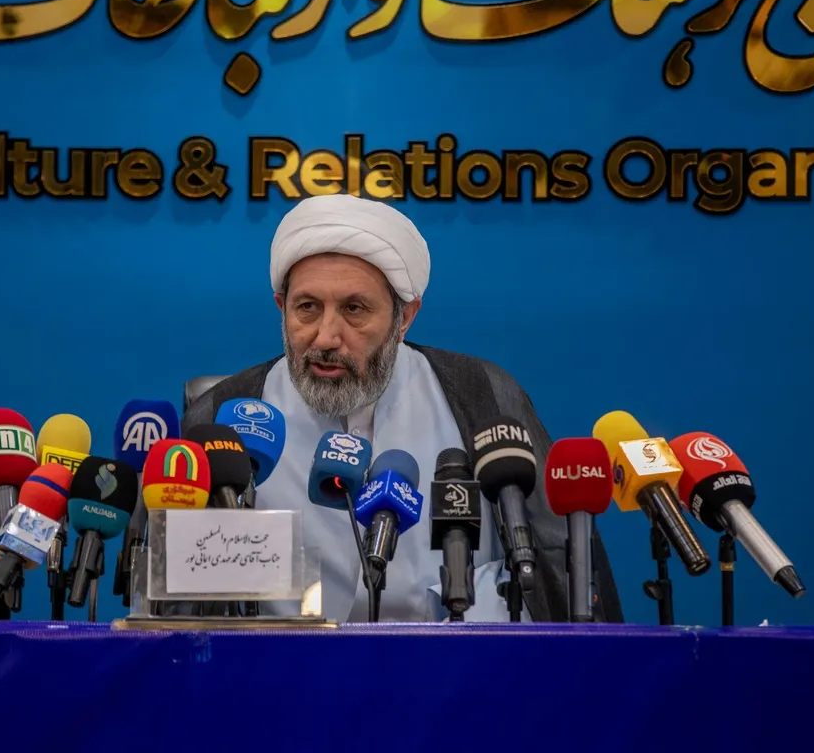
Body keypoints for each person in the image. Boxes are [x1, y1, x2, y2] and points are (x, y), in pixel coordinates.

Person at [182, 194, 623, 623]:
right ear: (282, 308)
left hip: (456, 666)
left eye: (354, 309)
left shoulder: (482, 394)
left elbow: (556, 562)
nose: (326, 337)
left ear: (404, 317)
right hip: (278, 666)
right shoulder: (222, 416)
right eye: (307, 308)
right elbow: (179, 600)